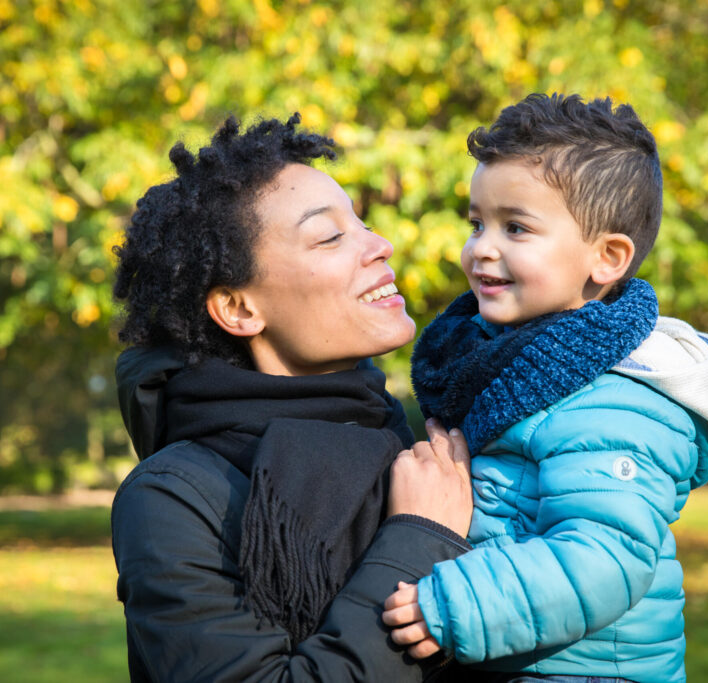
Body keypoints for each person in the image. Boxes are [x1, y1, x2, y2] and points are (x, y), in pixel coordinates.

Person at [380, 93, 708, 682]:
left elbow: (604, 558)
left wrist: (456, 605)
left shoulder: (617, 397)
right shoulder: (510, 363)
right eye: (477, 223)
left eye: (516, 227)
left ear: (606, 258)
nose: (482, 247)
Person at [110, 114, 478, 682]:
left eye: (362, 224)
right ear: (238, 309)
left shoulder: (415, 437)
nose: (381, 245)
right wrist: (417, 541)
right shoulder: (172, 499)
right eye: (330, 236)